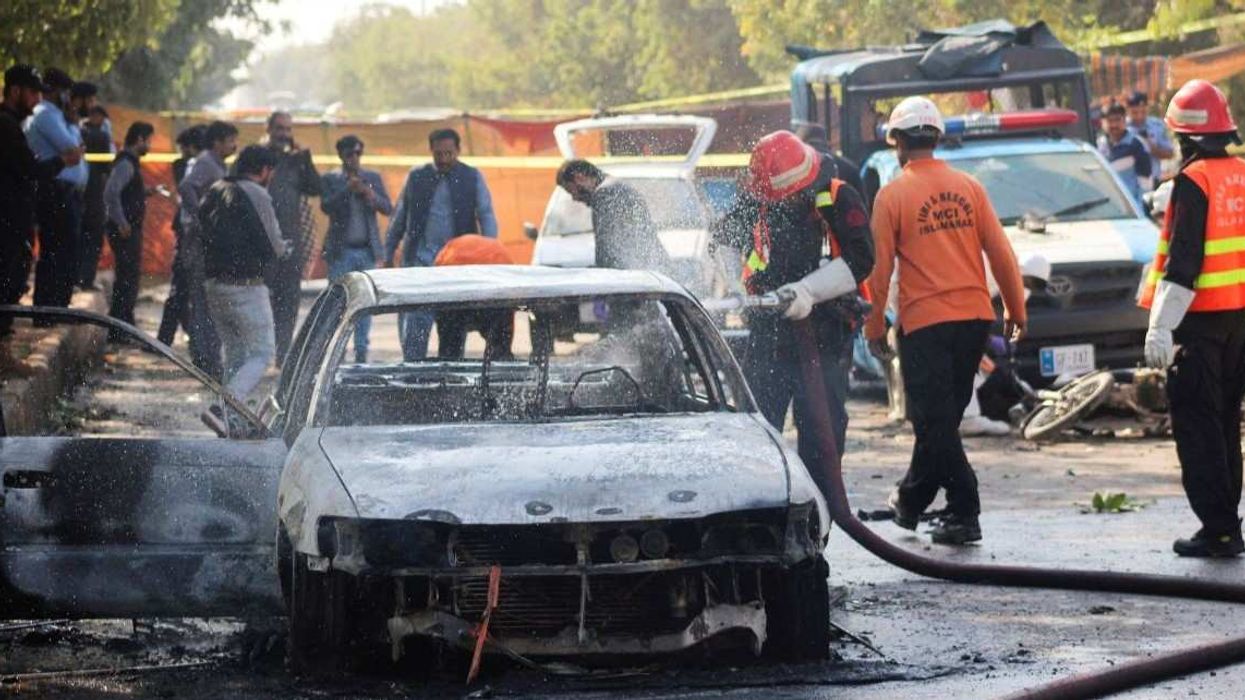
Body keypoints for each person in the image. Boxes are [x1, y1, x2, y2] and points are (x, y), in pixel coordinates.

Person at [866, 96, 1026, 546]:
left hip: (926, 324)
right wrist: (1015, 309)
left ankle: (965, 508)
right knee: (940, 423)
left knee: (933, 423)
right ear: (935, 137)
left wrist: (874, 326)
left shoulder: (893, 195)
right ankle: (912, 502)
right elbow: (1002, 253)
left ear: (897, 142)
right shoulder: (968, 187)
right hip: (974, 320)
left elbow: (879, 273)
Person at [710, 130, 874, 501]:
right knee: (758, 422)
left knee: (822, 426)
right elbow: (721, 237)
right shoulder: (759, 195)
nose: (781, 202)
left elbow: (862, 258)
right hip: (769, 330)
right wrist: (736, 284)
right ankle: (760, 503)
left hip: (825, 331)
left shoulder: (835, 196)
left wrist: (809, 291)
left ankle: (820, 506)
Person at [1140, 79, 1245, 558]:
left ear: (1184, 138)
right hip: (1239, 323)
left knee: (1199, 427)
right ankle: (1226, 523)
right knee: (1224, 424)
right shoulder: (1240, 174)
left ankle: (1219, 528)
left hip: (1199, 327)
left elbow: (1184, 264)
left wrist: (1161, 325)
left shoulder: (1194, 181)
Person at [386, 128, 498, 360]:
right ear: (431, 152)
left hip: (456, 266)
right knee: (415, 327)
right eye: (439, 154)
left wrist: (490, 253)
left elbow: (486, 215)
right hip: (420, 263)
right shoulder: (416, 177)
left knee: (454, 327)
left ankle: (449, 379)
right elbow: (399, 218)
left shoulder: (472, 176)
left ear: (458, 151)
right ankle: (411, 378)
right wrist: (388, 254)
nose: (444, 159)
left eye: (449, 153)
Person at [198, 145, 286, 431]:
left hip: (215, 285)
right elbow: (274, 245)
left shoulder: (216, 188)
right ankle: (223, 408)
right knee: (261, 354)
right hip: (246, 287)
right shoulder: (257, 192)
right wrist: (285, 250)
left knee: (236, 352)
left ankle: (230, 419)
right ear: (264, 170)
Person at [1, 65, 77, 340]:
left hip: (15, 221)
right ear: (15, 91)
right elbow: (29, 169)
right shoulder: (5, 125)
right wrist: (62, 162)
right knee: (7, 285)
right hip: (6, 222)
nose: (37, 101)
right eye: (33, 93)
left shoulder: (13, 124)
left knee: (13, 283)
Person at [320, 135, 392, 363]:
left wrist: (368, 193)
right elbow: (326, 206)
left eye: (358, 154)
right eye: (350, 154)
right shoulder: (331, 178)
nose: (355, 159)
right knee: (338, 304)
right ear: (341, 155)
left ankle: (361, 353)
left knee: (364, 304)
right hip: (341, 252)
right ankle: (336, 356)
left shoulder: (371, 177)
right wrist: (346, 190)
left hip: (366, 250)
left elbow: (387, 208)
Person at [177, 120, 238, 378]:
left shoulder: (217, 164)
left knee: (209, 303)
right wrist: (202, 216)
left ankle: (208, 357)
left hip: (211, 244)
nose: (234, 145)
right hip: (201, 245)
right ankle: (205, 360)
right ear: (217, 142)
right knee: (204, 302)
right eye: (229, 140)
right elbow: (186, 187)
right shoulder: (206, 163)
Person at [25, 67, 87, 316]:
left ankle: (59, 307)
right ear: (56, 92)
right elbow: (72, 148)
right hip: (54, 190)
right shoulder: (46, 115)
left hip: (66, 191)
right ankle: (48, 309)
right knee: (55, 249)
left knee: (66, 249)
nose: (67, 97)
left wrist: (71, 123)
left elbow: (76, 151)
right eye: (65, 92)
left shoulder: (59, 116)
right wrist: (72, 126)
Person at [260, 111, 321, 365]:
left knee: (289, 299)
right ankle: (263, 353)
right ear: (269, 129)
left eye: (288, 129)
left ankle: (282, 356)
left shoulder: (297, 161)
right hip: (261, 244)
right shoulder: (258, 156)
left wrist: (305, 159)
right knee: (263, 300)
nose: (284, 134)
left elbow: (316, 189)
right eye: (280, 129)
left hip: (292, 242)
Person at [555, 159, 670, 273]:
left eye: (571, 190)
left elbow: (606, 249)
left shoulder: (603, 194)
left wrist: (600, 274)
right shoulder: (615, 185)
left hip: (638, 273)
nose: (574, 198)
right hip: (653, 267)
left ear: (579, 178)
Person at [102, 121, 155, 330]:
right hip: (124, 230)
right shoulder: (126, 162)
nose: (149, 146)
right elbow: (110, 193)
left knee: (128, 278)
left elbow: (125, 192)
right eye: (149, 141)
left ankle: (124, 325)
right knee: (126, 280)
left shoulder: (131, 162)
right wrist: (122, 222)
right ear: (140, 139)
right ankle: (120, 328)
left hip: (128, 229)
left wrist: (146, 192)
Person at [157, 124, 206, 346]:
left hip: (191, 234)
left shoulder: (197, 165)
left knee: (185, 288)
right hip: (189, 233)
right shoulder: (188, 166)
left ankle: (184, 335)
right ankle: (168, 338)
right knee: (182, 286)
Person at [432, 234, 515, 360]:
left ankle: (448, 370)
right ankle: (501, 370)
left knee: (449, 352)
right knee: (500, 350)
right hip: (495, 294)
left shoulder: (450, 250)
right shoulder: (496, 249)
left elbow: (436, 279)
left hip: (455, 294)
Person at [78, 104, 113, 290]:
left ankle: (77, 278)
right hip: (95, 192)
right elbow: (106, 167)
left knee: (80, 236)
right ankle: (87, 279)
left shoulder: (79, 131)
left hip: (79, 191)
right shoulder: (101, 135)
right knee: (94, 237)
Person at [1097, 102, 1152, 210]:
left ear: (1125, 120)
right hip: (1108, 208)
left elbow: (1146, 183)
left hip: (1132, 209)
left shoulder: (1136, 145)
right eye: (1109, 121)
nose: (1113, 125)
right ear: (1102, 123)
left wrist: (1139, 210)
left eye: (1117, 120)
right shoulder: (1100, 144)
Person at [793, 122, 865, 196]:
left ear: (800, 144)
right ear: (827, 142)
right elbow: (863, 204)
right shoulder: (850, 168)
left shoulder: (794, 169)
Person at [1126, 91, 1175, 186]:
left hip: (1153, 180)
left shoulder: (1157, 125)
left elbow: (1170, 154)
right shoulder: (1122, 128)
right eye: (1135, 113)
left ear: (1147, 109)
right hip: (1129, 183)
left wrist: (1153, 149)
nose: (1139, 116)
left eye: (1143, 112)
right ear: (1127, 110)